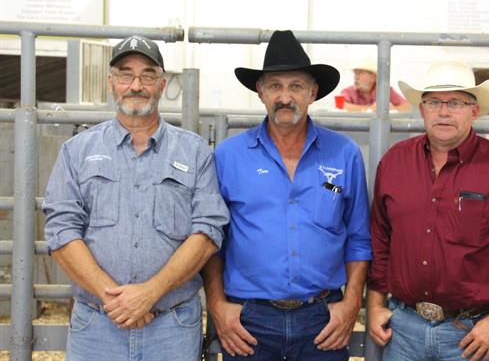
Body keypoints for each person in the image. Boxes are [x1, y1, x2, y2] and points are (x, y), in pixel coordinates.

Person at [43, 35, 229, 361]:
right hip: (97, 327)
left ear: (161, 84)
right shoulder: (77, 151)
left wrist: (150, 293)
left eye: (147, 75)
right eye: (126, 74)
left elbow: (208, 232)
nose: (136, 85)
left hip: (170, 327)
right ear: (111, 83)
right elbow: (61, 231)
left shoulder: (195, 151)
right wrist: (117, 300)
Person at [202, 30, 372, 360]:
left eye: (295, 86)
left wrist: (352, 304)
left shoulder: (343, 155)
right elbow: (211, 240)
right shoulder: (229, 157)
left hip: (322, 318)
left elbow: (359, 236)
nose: (285, 96)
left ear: (313, 92)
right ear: (260, 92)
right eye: (275, 86)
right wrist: (217, 306)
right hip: (248, 320)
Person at [367, 60, 489, 361]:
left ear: (474, 111)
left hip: (474, 334)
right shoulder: (394, 162)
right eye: (434, 102)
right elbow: (380, 237)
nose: (444, 111)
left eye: (456, 102)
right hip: (404, 331)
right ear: (422, 109)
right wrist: (375, 306)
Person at [340, 57, 409, 111]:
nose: (356, 77)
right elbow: (341, 105)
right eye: (355, 73)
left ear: (373, 77)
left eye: (360, 73)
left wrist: (392, 109)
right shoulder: (348, 91)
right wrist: (370, 108)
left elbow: (408, 107)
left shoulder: (385, 91)